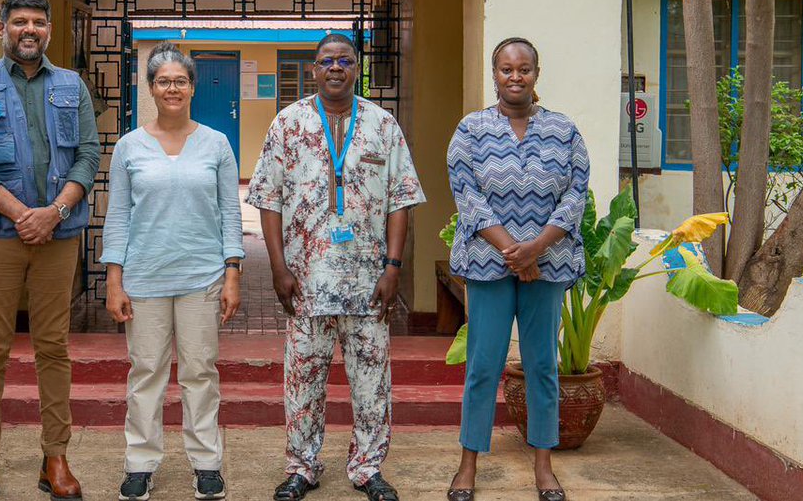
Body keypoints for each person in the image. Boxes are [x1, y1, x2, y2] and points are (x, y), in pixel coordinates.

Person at [247, 33, 426, 501]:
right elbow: (269, 198)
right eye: (326, 60)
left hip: (369, 284)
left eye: (345, 60)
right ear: (313, 69)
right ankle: (302, 468)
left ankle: (368, 468)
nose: (335, 68)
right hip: (306, 282)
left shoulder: (383, 125)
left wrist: (393, 267)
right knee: (303, 378)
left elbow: (400, 201)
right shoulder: (288, 123)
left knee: (371, 381)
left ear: (357, 68)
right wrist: (278, 267)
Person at [0, 0, 101, 501]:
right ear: (2, 30)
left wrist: (54, 212)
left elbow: (88, 155)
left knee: (53, 347)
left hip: (59, 236)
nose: (28, 30)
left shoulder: (72, 86)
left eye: (37, 21)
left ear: (49, 30)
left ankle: (55, 457)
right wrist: (21, 215)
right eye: (19, 22)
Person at [444, 37, 589, 501]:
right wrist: (514, 250)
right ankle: (468, 465)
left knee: (543, 364)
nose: (515, 76)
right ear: (495, 74)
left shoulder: (564, 131)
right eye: (506, 69)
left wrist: (537, 249)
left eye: (523, 68)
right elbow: (467, 196)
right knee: (483, 366)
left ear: (536, 73)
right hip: (488, 265)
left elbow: (575, 195)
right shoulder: (471, 130)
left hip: (548, 264)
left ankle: (544, 467)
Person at [101, 43, 244, 501]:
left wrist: (232, 272)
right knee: (146, 374)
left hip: (202, 279)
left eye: (180, 80)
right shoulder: (129, 146)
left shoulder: (216, 144)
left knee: (200, 373)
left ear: (192, 87)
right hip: (144, 281)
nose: (172, 88)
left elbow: (230, 213)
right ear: (151, 88)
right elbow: (118, 216)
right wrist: (114, 280)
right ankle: (140, 463)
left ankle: (206, 463)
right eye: (163, 81)